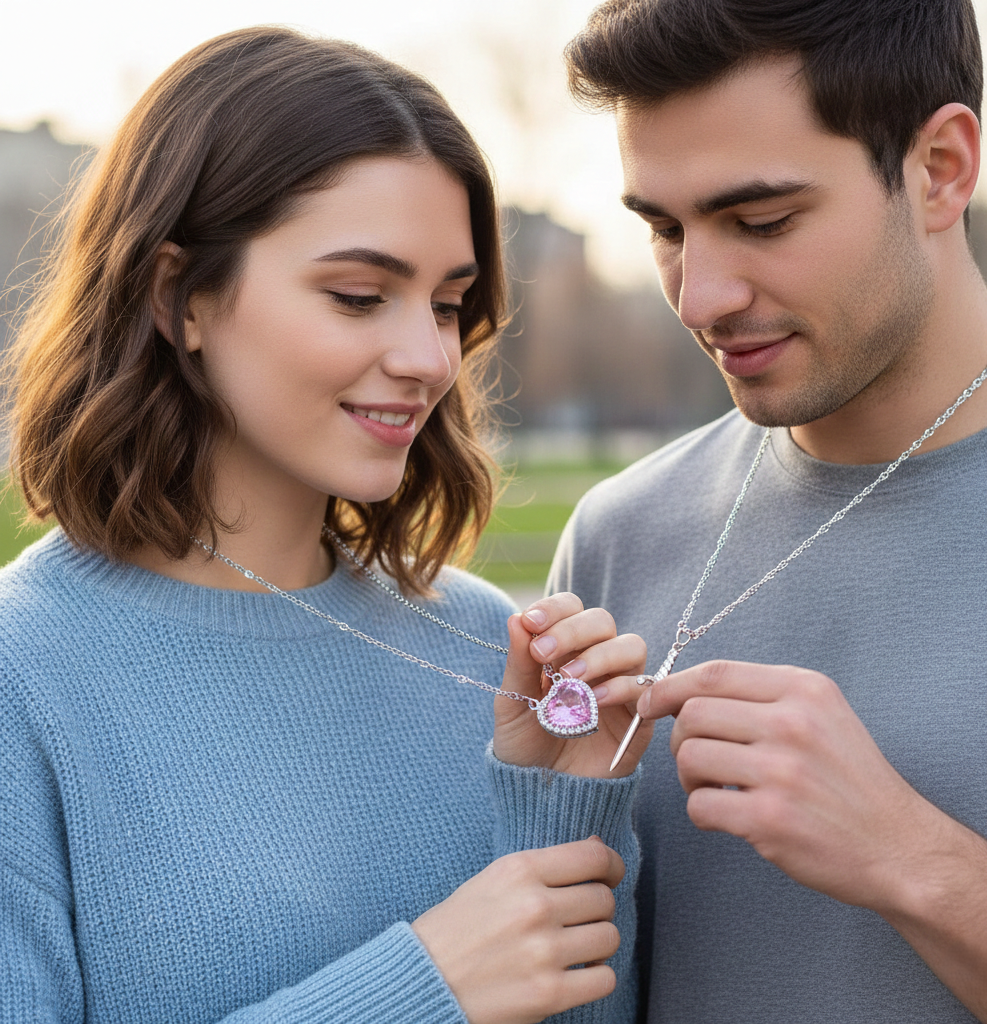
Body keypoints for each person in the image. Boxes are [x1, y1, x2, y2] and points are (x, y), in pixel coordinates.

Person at [0, 27, 652, 1024]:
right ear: (181, 296)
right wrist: (423, 989)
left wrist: (559, 808)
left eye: (447, 302)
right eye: (359, 296)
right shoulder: (25, 676)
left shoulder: (494, 654)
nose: (429, 357)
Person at [551, 1, 987, 1021]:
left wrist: (909, 852)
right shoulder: (616, 532)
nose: (700, 296)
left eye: (761, 221)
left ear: (938, 167)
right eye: (665, 229)